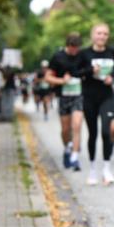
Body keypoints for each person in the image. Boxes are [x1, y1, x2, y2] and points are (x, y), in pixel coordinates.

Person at [74, 23, 114, 185]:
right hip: (89, 97)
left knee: (106, 131)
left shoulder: (111, 52)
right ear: (92, 35)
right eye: (99, 33)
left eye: (105, 34)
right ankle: (92, 170)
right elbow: (76, 72)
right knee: (92, 133)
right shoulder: (84, 53)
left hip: (106, 96)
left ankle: (106, 169)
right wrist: (90, 71)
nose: (102, 36)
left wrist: (111, 77)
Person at [45, 33, 85, 172]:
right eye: (72, 47)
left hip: (79, 96)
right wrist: (62, 81)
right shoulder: (58, 57)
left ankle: (75, 157)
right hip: (64, 96)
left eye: (77, 48)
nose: (75, 50)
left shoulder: (82, 56)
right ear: (67, 46)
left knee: (77, 125)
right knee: (65, 129)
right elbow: (48, 77)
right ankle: (68, 147)